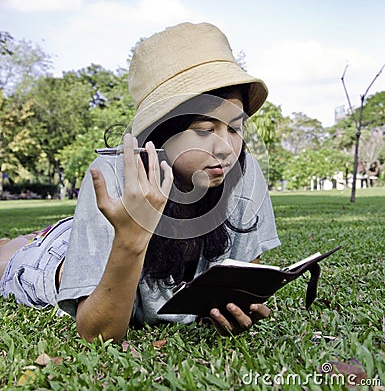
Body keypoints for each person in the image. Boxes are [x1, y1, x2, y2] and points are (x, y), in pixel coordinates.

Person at [0, 22, 281, 342]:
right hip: (57, 260)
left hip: (86, 233)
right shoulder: (112, 175)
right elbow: (97, 335)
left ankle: (38, 234)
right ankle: (29, 242)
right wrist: (131, 237)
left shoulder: (244, 172)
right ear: (160, 135)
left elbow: (246, 280)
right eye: (204, 129)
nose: (226, 147)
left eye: (234, 128)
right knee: (8, 258)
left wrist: (239, 304)